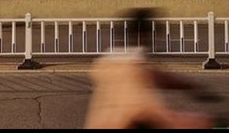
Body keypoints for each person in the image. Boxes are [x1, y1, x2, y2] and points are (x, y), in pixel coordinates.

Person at [84, 8, 214, 129]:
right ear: (144, 35)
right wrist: (201, 122)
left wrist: (192, 87)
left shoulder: (110, 63)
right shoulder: (133, 69)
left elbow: (162, 78)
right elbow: (146, 111)